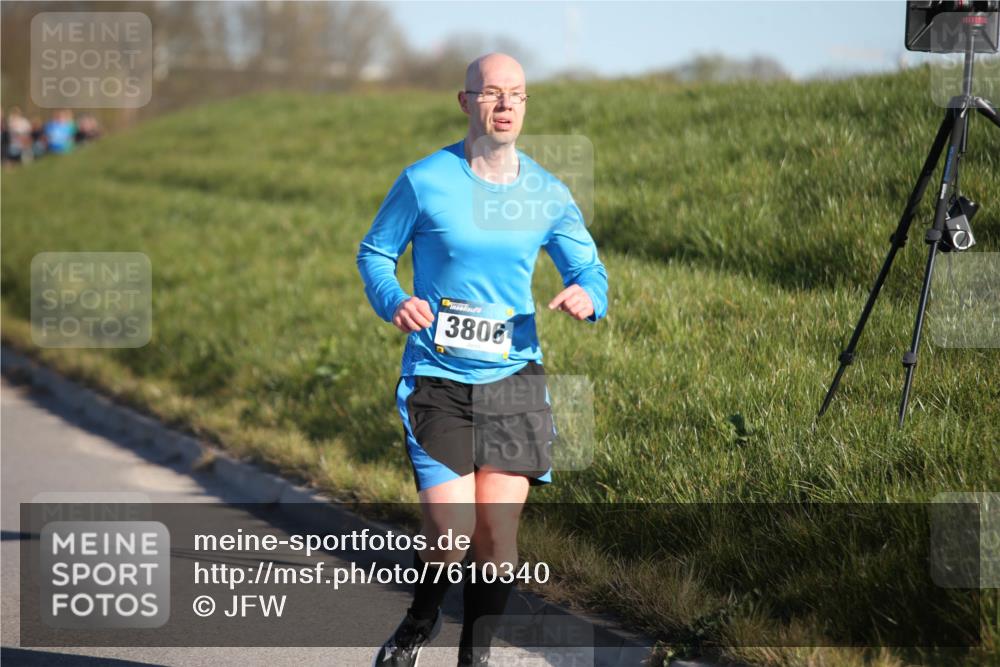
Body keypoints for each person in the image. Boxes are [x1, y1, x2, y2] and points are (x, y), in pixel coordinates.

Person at [357, 53, 608, 667]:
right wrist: (394, 299)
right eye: (491, 93)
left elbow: (590, 269)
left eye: (515, 95)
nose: (504, 105)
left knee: (496, 536)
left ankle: (476, 656)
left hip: (513, 378)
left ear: (525, 104)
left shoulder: (547, 192)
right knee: (452, 534)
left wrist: (587, 295)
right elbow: (374, 253)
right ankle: (419, 621)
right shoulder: (425, 180)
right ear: (465, 102)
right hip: (438, 378)